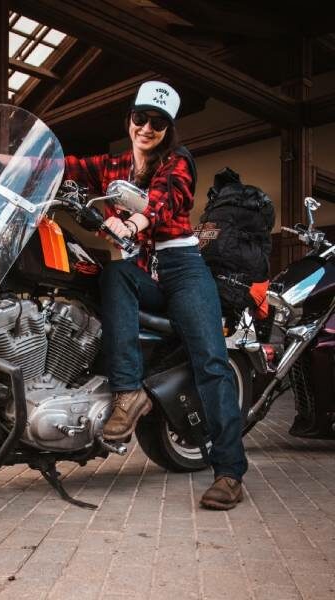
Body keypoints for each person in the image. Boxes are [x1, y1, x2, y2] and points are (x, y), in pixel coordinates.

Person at [63, 80, 248, 510]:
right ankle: (127, 393)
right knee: (113, 276)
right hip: (145, 270)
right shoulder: (114, 164)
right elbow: (61, 164)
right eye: (140, 118)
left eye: (158, 123)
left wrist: (132, 224)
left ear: (168, 130)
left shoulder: (177, 160)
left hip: (183, 268)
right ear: (130, 118)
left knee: (211, 363)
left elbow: (164, 200)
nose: (146, 128)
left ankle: (229, 473)